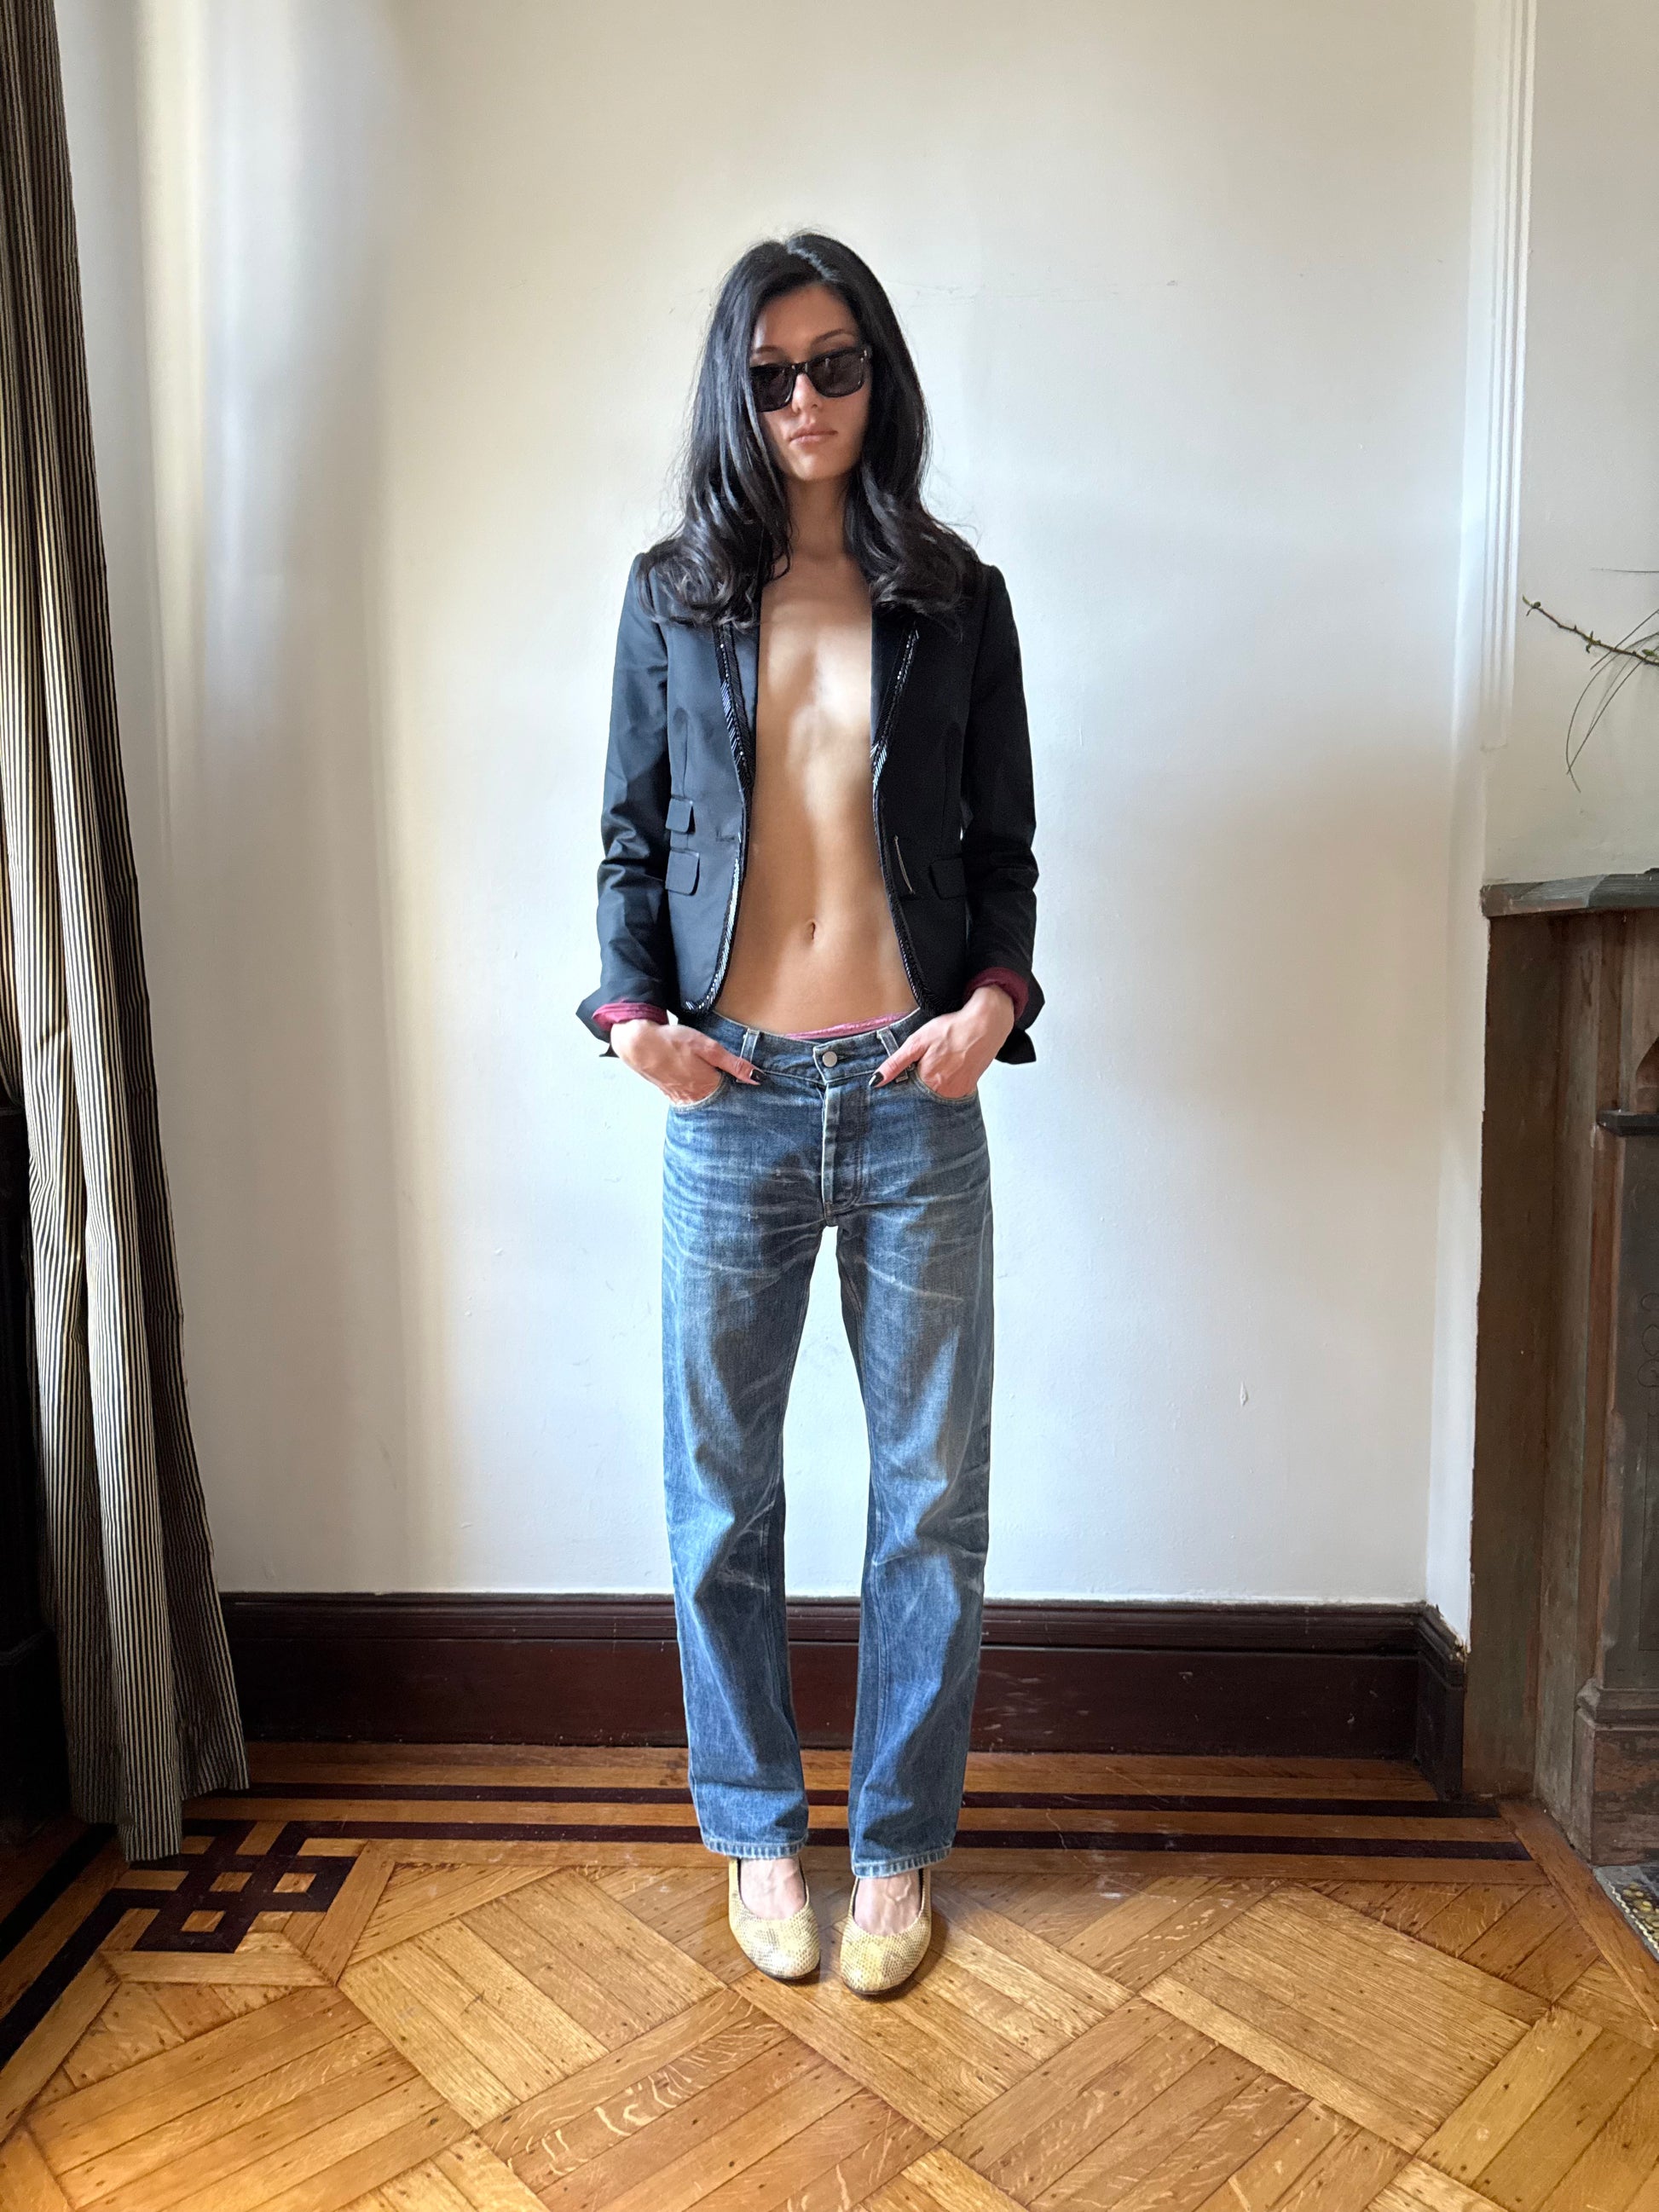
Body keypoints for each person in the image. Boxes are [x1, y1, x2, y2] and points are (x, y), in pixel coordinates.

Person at [576, 231, 1042, 1994]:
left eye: (832, 365)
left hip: (915, 1091)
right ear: (734, 391)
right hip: (736, 1093)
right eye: (768, 375)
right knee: (721, 1498)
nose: (802, 403)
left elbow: (1002, 850)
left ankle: (898, 1854)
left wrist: (992, 1004)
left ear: (877, 376)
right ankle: (758, 1836)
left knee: (928, 1500)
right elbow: (629, 843)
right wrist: (632, 1021)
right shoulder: (671, 595)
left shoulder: (956, 595)